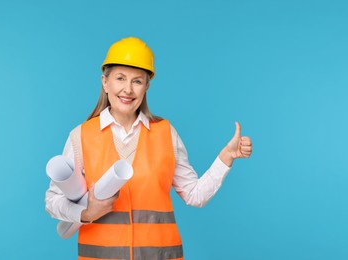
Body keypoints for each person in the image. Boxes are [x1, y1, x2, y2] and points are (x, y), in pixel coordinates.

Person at [45, 37, 253, 260]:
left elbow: (195, 195)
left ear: (146, 86)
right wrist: (86, 213)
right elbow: (53, 201)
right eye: (120, 78)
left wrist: (225, 158)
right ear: (105, 82)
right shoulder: (81, 135)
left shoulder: (166, 133)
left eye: (137, 81)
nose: (127, 89)